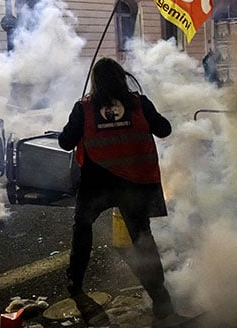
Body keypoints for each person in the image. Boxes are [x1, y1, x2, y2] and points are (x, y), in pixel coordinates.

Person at [58, 57, 184, 327]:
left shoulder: (85, 107)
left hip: (96, 184)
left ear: (95, 81)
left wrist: (78, 116)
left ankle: (75, 281)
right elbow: (165, 129)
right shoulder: (139, 103)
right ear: (121, 78)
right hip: (134, 184)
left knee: (82, 227)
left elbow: (65, 142)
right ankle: (161, 302)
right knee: (142, 240)